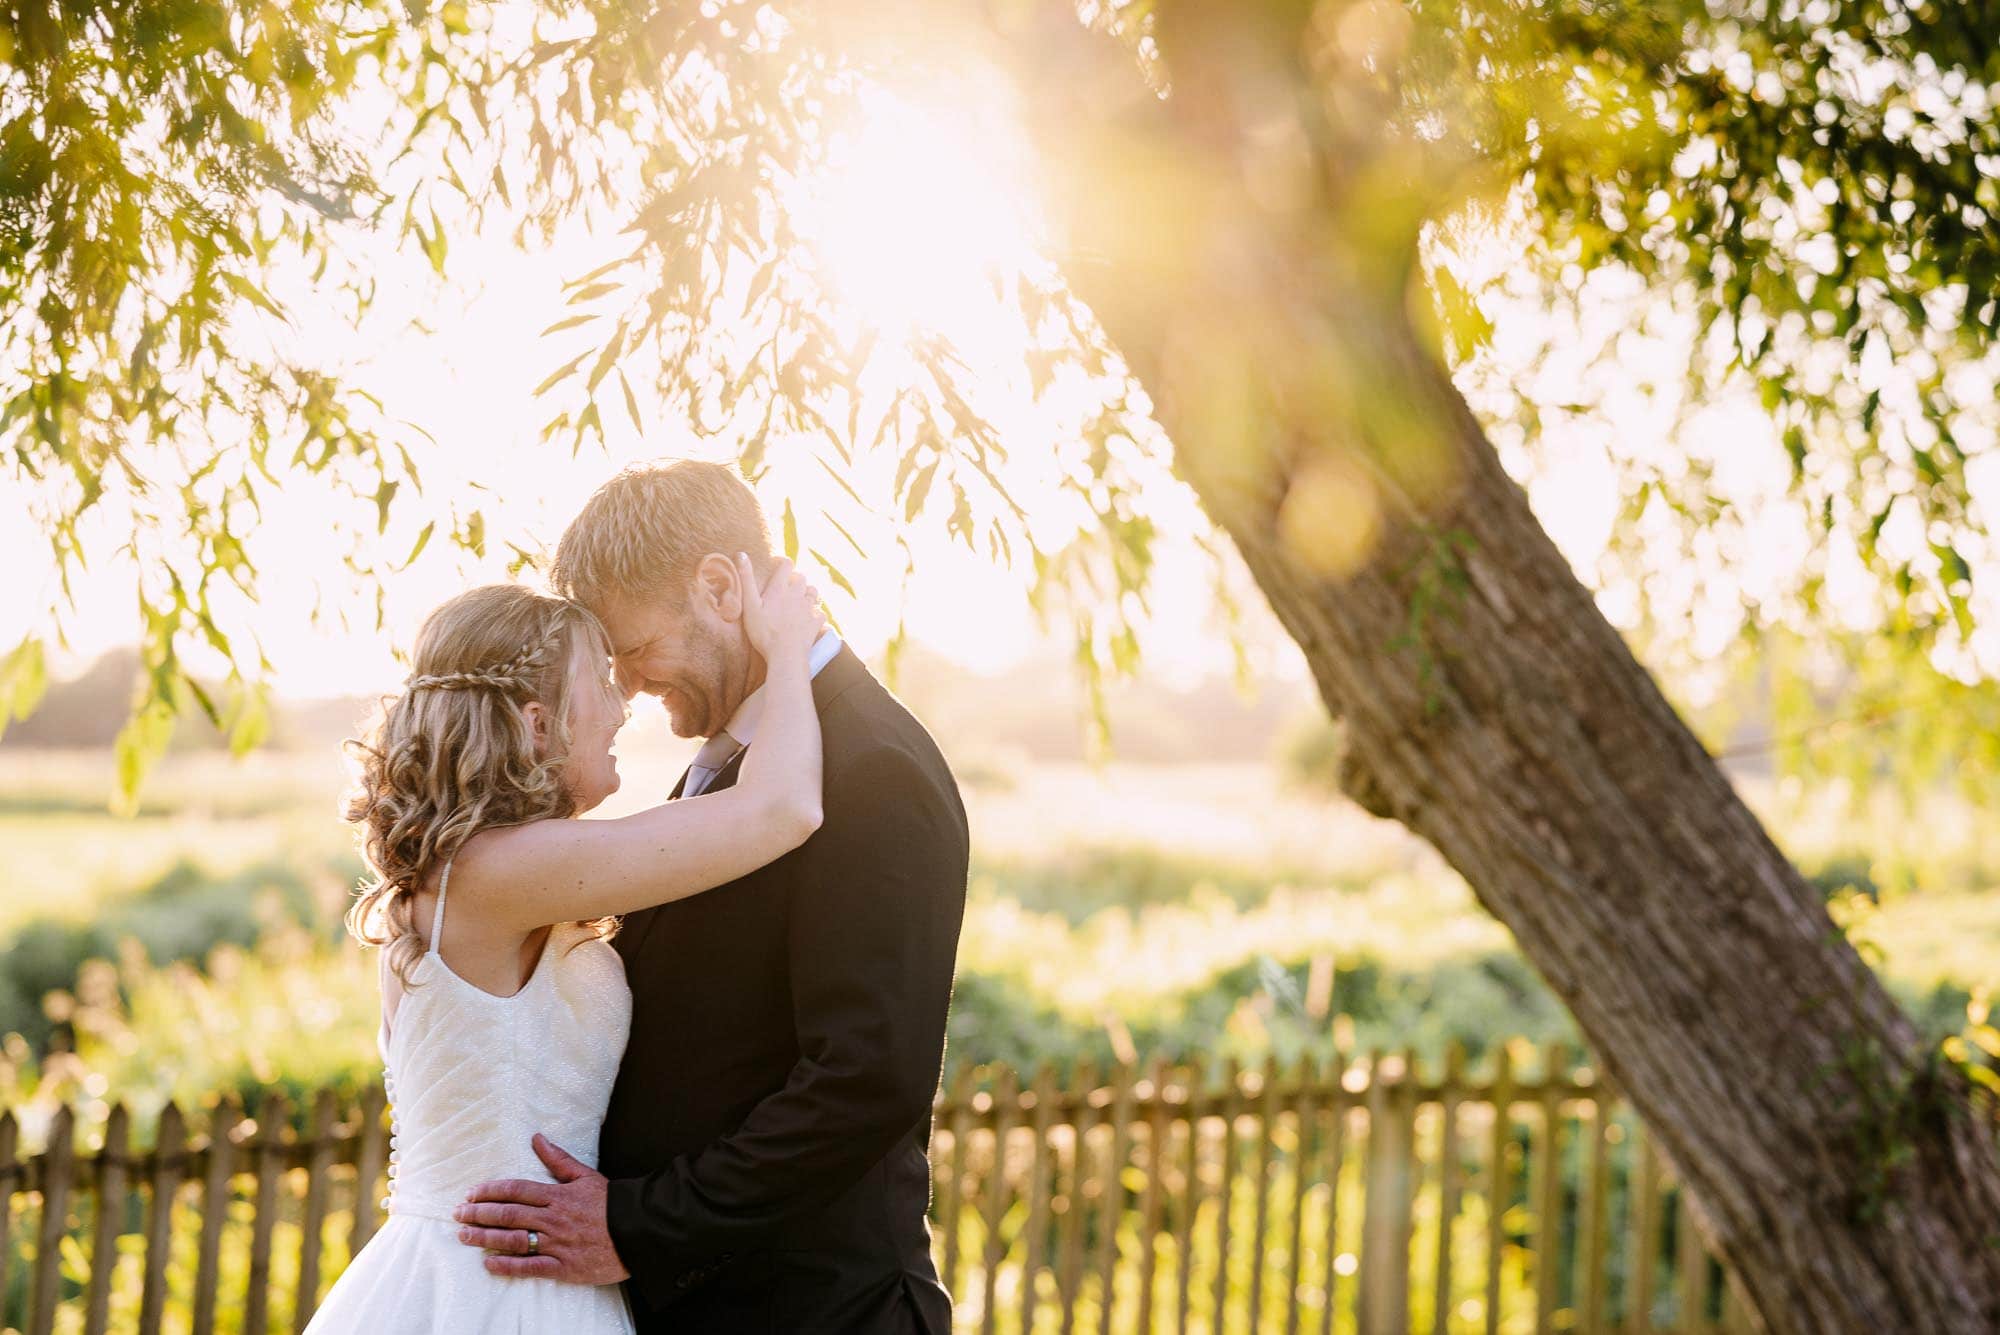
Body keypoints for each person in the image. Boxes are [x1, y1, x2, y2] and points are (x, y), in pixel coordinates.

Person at [455, 460, 970, 1333]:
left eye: (636, 649)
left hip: (817, 1310)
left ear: (721, 587)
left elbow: (866, 1077)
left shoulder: (874, 767)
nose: (626, 687)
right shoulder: (730, 762)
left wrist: (643, 1224)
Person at [305, 555, 827, 1335]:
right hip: (495, 1291)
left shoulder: (497, 869)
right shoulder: (495, 871)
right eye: (603, 686)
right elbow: (781, 809)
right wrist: (791, 648)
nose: (625, 710)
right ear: (537, 722)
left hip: (527, 1271)